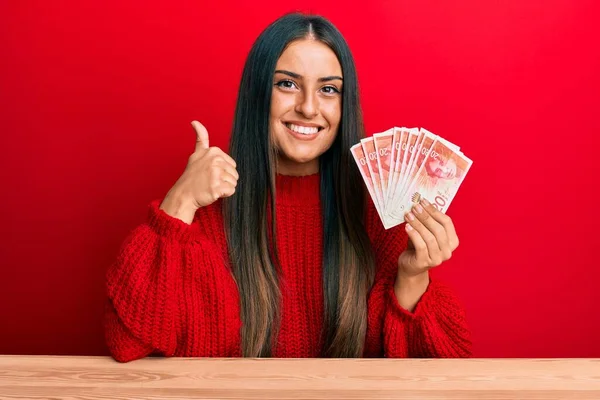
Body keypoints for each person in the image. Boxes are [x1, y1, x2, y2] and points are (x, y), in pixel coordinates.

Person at [104, 12, 472, 362]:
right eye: (287, 84)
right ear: (257, 94)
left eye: (328, 89)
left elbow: (442, 370)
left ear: (345, 106)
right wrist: (178, 204)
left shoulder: (379, 214)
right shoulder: (206, 211)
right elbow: (128, 344)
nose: (309, 108)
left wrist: (412, 277)